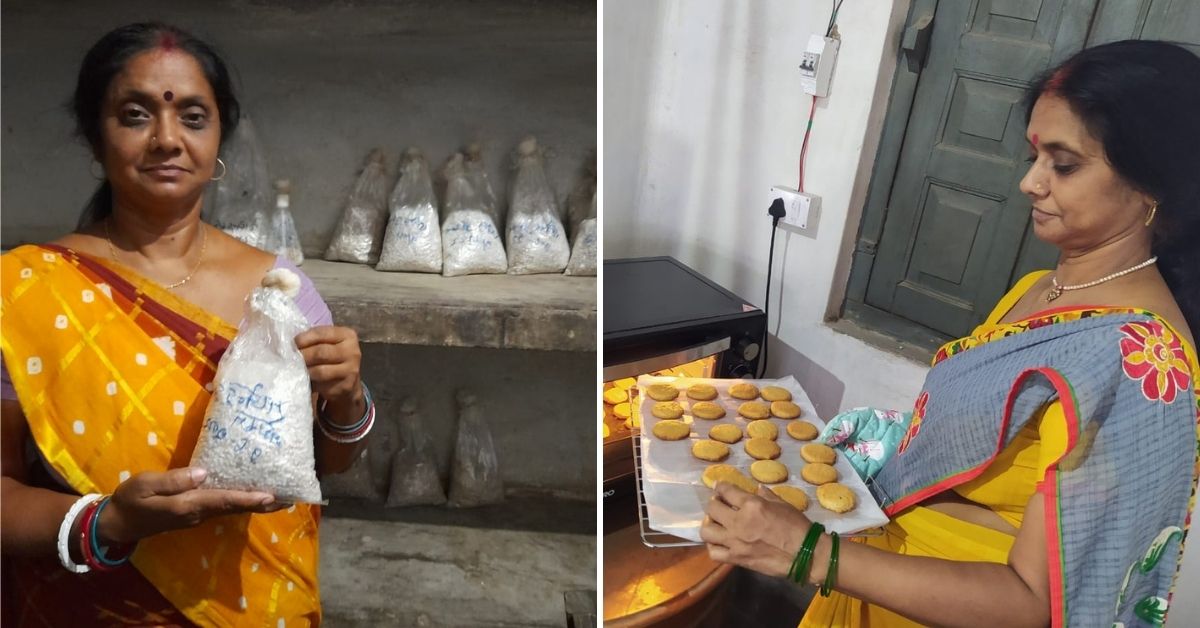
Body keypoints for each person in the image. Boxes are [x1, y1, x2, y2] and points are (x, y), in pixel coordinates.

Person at [701, 39, 1200, 627]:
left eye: (1063, 165)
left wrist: (808, 552)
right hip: (884, 569)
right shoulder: (1039, 289)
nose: (1030, 184)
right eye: (1034, 157)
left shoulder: (1143, 365)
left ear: (1154, 185)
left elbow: (1036, 603)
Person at [1, 23, 372, 626]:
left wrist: (348, 401)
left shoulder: (282, 290)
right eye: (135, 114)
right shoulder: (25, 293)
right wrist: (110, 523)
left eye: (193, 117)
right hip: (89, 604)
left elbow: (328, 464)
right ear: (96, 138)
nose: (167, 139)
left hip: (251, 602)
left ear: (220, 137)